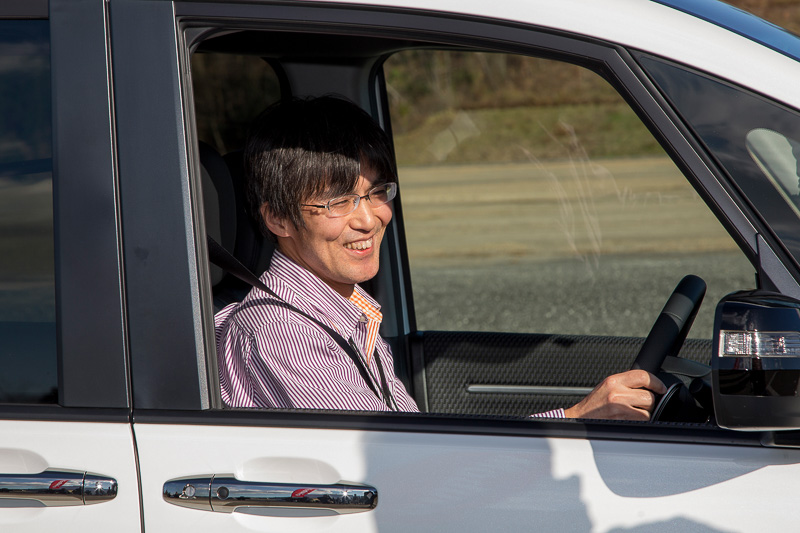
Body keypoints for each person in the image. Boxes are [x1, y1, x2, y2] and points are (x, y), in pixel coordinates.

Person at [215, 95, 666, 419]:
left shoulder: (344, 313)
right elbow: (397, 470)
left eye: (375, 193)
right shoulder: (282, 331)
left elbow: (413, 451)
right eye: (338, 202)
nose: (370, 219)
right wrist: (574, 420)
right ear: (278, 219)